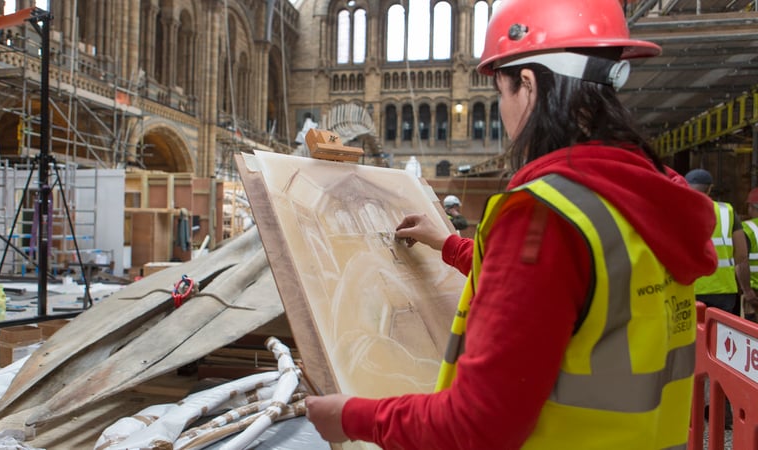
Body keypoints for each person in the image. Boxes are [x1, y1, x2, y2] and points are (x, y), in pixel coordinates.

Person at [304, 0, 718, 448]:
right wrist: (447, 244)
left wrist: (354, 416)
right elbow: (569, 288)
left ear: (527, 83)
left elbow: (477, 424)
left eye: (499, 94)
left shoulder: (544, 216)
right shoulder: (642, 196)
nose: (500, 112)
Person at [684, 168, 754, 316]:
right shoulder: (726, 211)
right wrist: (746, 289)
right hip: (723, 291)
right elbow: (741, 256)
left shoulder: (676, 209)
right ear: (710, 188)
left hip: (688, 288)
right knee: (720, 336)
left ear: (684, 185)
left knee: (692, 336)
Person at [740, 187, 758, 322]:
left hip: (754, 292)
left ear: (752, 207)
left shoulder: (747, 228)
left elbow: (741, 260)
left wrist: (746, 290)